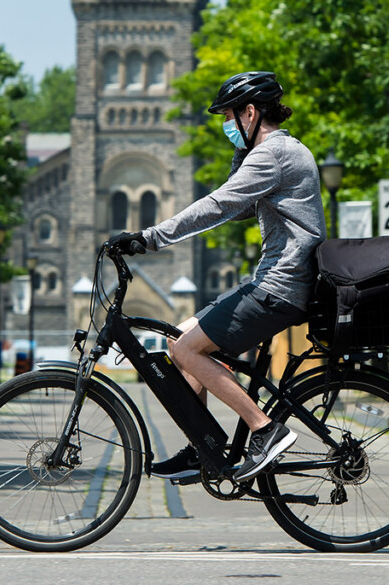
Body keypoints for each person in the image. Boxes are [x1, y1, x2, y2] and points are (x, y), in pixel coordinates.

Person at [109, 71, 326, 482]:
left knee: (187, 352)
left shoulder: (273, 154)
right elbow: (242, 202)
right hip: (275, 282)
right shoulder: (270, 153)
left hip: (278, 287)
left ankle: (265, 430)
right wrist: (241, 153)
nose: (226, 126)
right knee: (180, 339)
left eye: (229, 117)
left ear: (250, 112)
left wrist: (148, 238)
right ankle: (202, 448)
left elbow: (219, 205)